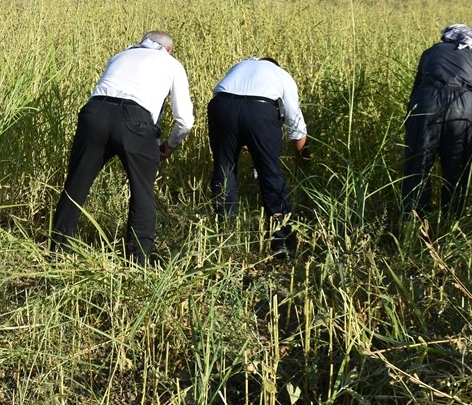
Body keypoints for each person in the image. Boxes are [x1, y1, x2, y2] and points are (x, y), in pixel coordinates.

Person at [51, 31, 194, 264]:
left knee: (76, 184)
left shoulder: (120, 55)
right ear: (168, 50)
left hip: (94, 113)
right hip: (135, 121)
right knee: (142, 192)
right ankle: (138, 262)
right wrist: (170, 144)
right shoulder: (171, 64)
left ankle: (57, 250)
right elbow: (185, 120)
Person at [401, 24, 472, 222]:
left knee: (416, 168)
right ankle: (449, 228)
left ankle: (413, 228)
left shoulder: (431, 52)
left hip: (425, 104)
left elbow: (416, 89)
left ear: (447, 37)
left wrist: (411, 125)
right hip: (465, 108)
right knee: (457, 171)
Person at [208, 57, 309, 257]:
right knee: (270, 173)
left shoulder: (240, 65)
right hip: (260, 111)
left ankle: (224, 234)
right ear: (275, 65)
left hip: (221, 106)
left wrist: (243, 134)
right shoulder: (282, 75)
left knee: (224, 170)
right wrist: (304, 161)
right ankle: (281, 241)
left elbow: (234, 105)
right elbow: (296, 126)